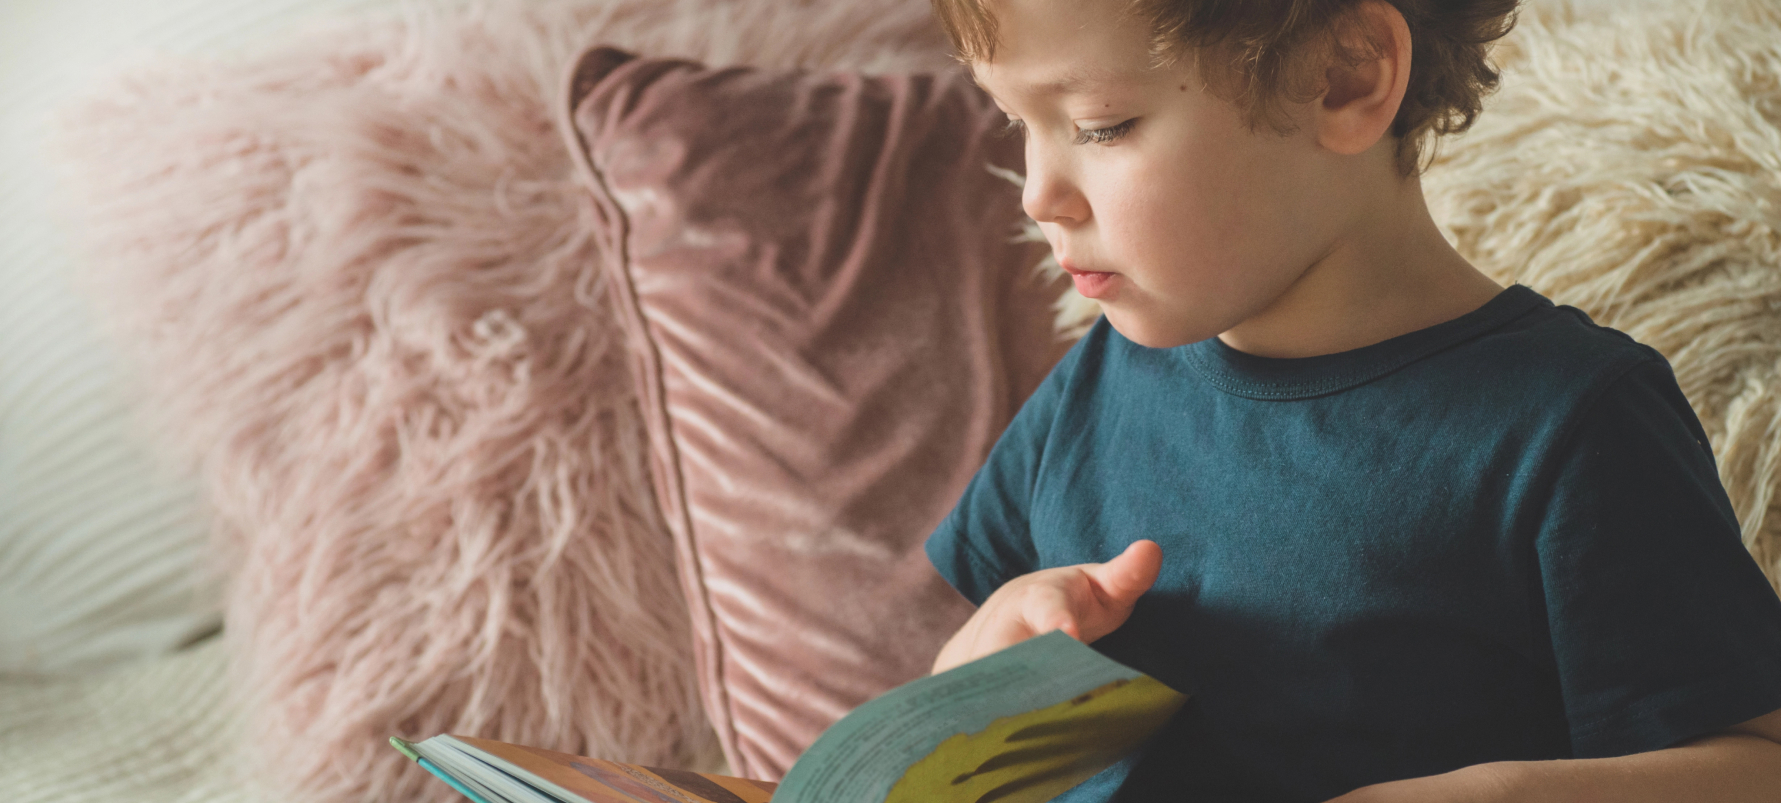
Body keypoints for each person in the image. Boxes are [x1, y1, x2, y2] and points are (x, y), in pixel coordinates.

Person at [918, 0, 1781, 801]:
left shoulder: (1571, 425)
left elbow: (1755, 765)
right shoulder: (1099, 378)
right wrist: (973, 673)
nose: (1037, 194)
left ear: (1344, 76)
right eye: (1014, 121)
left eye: (1099, 125)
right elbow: (952, 720)